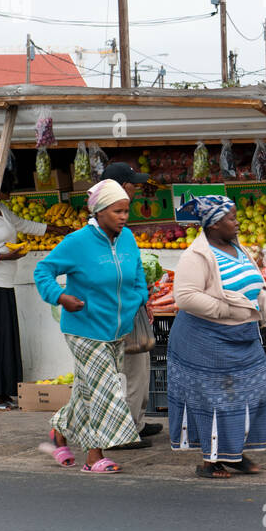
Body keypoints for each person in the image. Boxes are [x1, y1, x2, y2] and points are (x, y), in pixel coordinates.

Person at [33, 180, 148, 473]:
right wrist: (59, 296)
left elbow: (137, 275)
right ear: (99, 212)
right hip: (84, 329)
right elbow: (43, 269)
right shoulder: (77, 242)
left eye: (126, 211)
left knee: (87, 389)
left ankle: (58, 433)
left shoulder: (128, 240)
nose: (124, 217)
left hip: (117, 330)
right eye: (117, 211)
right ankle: (94, 457)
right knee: (104, 390)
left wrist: (139, 300)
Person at [167, 195, 266, 479]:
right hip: (205, 340)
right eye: (231, 218)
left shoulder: (238, 248)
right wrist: (225, 310)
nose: (237, 222)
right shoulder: (196, 255)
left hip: (242, 336)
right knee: (215, 400)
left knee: (257, 390)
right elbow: (186, 297)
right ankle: (209, 462)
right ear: (213, 225)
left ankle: (233, 453)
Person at [0, 163, 69, 410]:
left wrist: (56, 229)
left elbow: (23, 225)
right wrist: (4, 257)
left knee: (3, 337)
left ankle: (2, 388)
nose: (11, 193)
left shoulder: (1, 210)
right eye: (8, 189)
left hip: (4, 284)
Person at [100, 161, 162, 446]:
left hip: (129, 308)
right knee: (130, 371)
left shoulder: (119, 229)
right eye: (132, 183)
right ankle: (124, 432)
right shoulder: (105, 232)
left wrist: (144, 298)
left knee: (139, 367)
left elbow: (132, 267)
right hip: (118, 313)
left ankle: (134, 422)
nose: (136, 188)